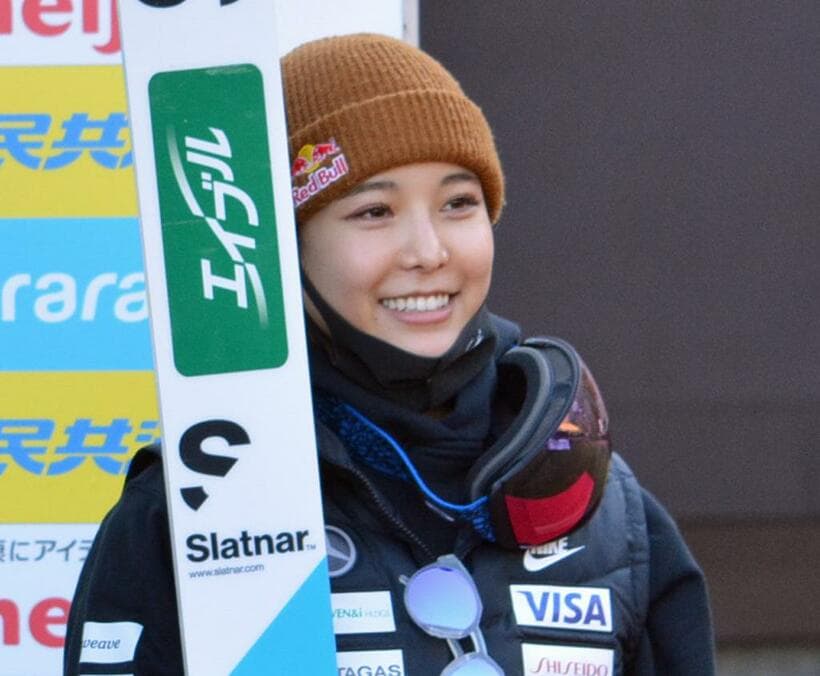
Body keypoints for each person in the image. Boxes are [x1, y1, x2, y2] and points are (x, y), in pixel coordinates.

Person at [64, 33, 715, 675]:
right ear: (284, 245)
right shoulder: (195, 505)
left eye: (459, 204)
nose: (428, 251)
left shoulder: (606, 507)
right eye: (374, 211)